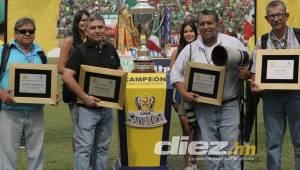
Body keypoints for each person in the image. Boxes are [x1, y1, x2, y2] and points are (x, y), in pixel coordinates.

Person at [171, 10, 247, 170]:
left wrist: (245, 74)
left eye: (210, 23)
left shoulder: (233, 43)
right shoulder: (190, 48)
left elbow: (250, 64)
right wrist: (184, 93)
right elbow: (175, 73)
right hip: (203, 107)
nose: (206, 27)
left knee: (231, 153)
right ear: (198, 26)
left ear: (218, 24)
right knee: (211, 155)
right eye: (202, 24)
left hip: (229, 105)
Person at [62, 14, 122, 170]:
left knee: (102, 148)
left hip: (106, 108)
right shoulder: (80, 51)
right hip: (85, 109)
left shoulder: (110, 48)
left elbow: (118, 70)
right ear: (86, 31)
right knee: (84, 149)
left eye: (100, 27)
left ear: (105, 29)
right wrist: (84, 96)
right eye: (93, 28)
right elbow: (67, 76)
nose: (97, 31)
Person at [0, 17, 58, 170]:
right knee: (7, 154)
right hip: (9, 111)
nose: (27, 34)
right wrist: (1, 94)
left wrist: (53, 95)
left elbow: (47, 80)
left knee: (36, 153)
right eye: (22, 31)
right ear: (15, 33)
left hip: (35, 111)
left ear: (34, 33)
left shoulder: (40, 53)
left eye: (30, 31)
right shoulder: (4, 51)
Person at [251, 1, 300, 169]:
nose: (276, 18)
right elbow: (255, 72)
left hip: (297, 96)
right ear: (266, 18)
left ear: (286, 16)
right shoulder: (262, 41)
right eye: (272, 15)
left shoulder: (299, 36)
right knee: (272, 144)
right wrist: (254, 83)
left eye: (280, 14)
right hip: (272, 97)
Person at [170, 21, 199, 170]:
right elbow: (173, 76)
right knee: (187, 129)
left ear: (196, 32)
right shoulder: (177, 52)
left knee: (197, 128)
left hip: (200, 94)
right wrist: (174, 95)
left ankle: (194, 159)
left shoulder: (201, 49)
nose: (188, 34)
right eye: (185, 31)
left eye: (191, 31)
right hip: (182, 94)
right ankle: (188, 162)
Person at [58, 9, 89, 110]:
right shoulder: (69, 41)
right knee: (78, 121)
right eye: (82, 20)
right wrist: (79, 73)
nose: (85, 23)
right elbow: (60, 68)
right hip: (73, 86)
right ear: (76, 23)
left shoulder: (93, 41)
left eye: (88, 20)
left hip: (90, 85)